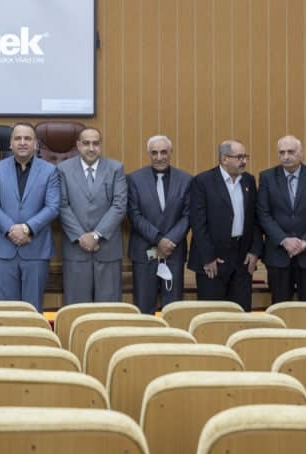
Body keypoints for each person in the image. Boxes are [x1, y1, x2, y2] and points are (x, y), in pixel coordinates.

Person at [0, 122, 60, 311]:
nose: (22, 142)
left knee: (32, 309)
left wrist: (26, 228)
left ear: (36, 144)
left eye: (28, 138)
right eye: (18, 138)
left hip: (35, 248)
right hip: (3, 249)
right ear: (10, 144)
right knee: (7, 310)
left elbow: (52, 207)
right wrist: (11, 229)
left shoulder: (50, 170)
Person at [256, 135, 306, 303]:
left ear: (301, 153)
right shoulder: (267, 177)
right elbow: (263, 214)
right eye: (281, 152)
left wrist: (304, 242)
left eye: (290, 152)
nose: (286, 156)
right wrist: (284, 240)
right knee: (280, 307)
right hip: (279, 256)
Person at [56, 127, 128, 304]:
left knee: (109, 310)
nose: (91, 148)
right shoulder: (63, 169)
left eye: (96, 143)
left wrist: (96, 235)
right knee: (77, 308)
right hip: (76, 249)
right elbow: (62, 205)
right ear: (78, 145)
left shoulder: (115, 168)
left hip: (107, 249)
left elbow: (119, 205)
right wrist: (82, 237)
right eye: (86, 143)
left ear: (101, 145)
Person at [189, 140, 262, 310]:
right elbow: (198, 223)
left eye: (245, 157)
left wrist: (255, 251)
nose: (244, 161)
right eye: (239, 157)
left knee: (241, 313)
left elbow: (255, 219)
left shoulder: (248, 181)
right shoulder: (203, 181)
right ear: (224, 159)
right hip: (213, 261)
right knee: (213, 314)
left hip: (242, 259)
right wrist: (208, 257)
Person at [126, 135, 192, 315]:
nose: (159, 157)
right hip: (144, 253)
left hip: (173, 251)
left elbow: (188, 215)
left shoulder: (186, 180)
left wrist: (170, 240)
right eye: (154, 153)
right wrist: (158, 239)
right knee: (143, 309)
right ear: (149, 154)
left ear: (171, 153)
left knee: (173, 310)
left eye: (163, 152)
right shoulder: (134, 179)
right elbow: (134, 215)